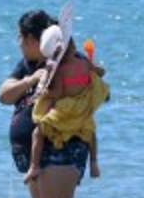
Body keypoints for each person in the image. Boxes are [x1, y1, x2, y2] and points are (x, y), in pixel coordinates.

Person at [0, 10, 90, 198]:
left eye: (20, 38)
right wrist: (30, 80)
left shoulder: (68, 62)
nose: (18, 43)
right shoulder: (28, 65)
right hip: (32, 151)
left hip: (61, 145)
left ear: (31, 39)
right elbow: (4, 95)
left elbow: (88, 94)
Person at [24, 27, 106, 185]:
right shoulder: (84, 62)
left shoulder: (60, 70)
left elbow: (58, 93)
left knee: (38, 131)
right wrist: (96, 68)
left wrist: (44, 93)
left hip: (66, 109)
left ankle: (33, 167)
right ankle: (94, 163)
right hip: (82, 108)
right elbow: (99, 72)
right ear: (74, 46)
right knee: (90, 131)